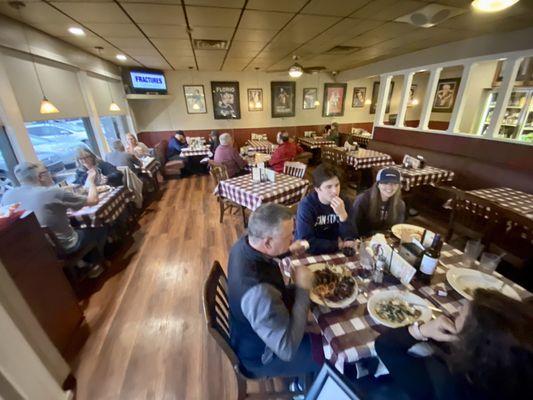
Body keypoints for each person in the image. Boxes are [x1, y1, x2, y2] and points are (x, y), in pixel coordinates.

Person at [375, 289, 533, 400]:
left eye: (460, 314)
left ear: (471, 345)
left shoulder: (441, 384)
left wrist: (421, 330)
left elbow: (385, 346)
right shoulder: (517, 367)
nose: (458, 309)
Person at [228, 204, 323, 378]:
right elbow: (287, 350)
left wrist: (286, 251)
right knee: (330, 352)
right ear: (268, 242)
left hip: (258, 325)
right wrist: (302, 291)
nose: (294, 238)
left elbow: (264, 257)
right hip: (262, 356)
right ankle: (304, 383)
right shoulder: (259, 295)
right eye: (289, 236)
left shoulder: (243, 244)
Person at [1, 162, 107, 277]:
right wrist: (91, 180)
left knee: (72, 227)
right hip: (64, 247)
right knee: (101, 227)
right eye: (47, 172)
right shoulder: (52, 192)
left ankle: (82, 264)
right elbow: (93, 200)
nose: (50, 174)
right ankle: (93, 264)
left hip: (34, 251)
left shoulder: (7, 196)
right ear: (40, 177)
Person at [295, 164, 357, 255]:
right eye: (329, 187)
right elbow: (306, 243)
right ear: (317, 189)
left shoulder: (344, 201)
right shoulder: (306, 206)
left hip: (336, 251)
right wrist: (338, 245)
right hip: (314, 253)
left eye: (337, 185)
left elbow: (351, 237)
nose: (335, 191)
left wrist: (343, 216)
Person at [352, 167, 405, 237]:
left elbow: (397, 229)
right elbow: (353, 226)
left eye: (394, 183)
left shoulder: (400, 204)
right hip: (363, 239)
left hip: (386, 241)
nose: (389, 187)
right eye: (385, 182)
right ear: (378, 184)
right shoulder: (362, 200)